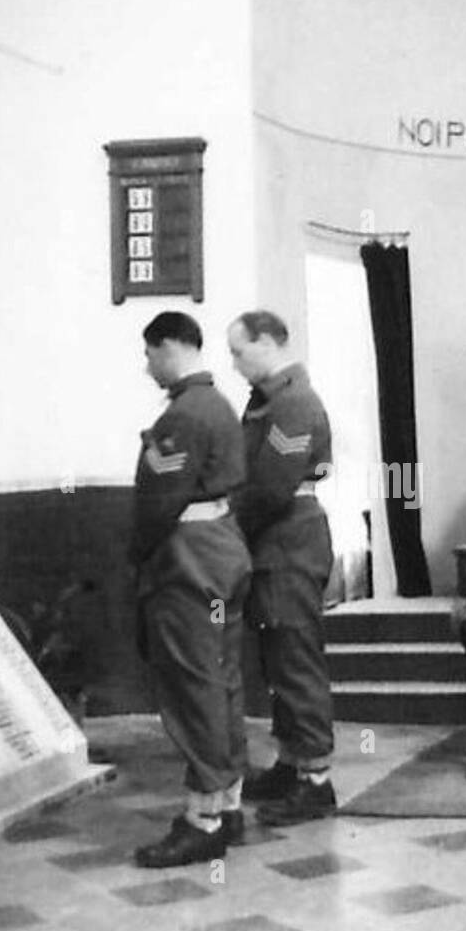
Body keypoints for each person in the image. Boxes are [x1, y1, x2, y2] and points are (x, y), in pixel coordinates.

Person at [129, 311, 252, 868]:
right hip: (223, 550)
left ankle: (202, 820)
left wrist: (138, 555)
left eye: (150, 352)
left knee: (192, 684)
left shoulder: (182, 415)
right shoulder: (221, 404)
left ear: (171, 346)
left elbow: (159, 502)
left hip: (187, 561)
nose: (147, 363)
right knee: (222, 680)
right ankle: (227, 806)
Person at [226, 310, 337, 825]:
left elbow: (269, 487)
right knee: (278, 662)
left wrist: (225, 529)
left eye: (240, 351)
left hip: (288, 541)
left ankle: (316, 781)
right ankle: (293, 765)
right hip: (276, 544)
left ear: (269, 343)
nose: (234, 362)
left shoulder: (293, 402)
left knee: (295, 661)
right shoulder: (270, 400)